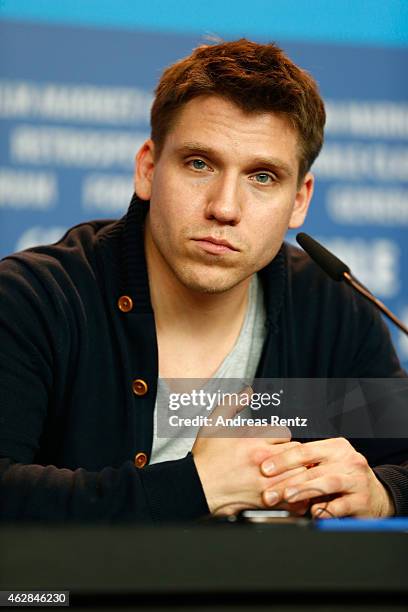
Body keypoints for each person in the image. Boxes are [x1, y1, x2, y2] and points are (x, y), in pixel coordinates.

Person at [0, 39, 407, 522]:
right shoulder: (35, 300)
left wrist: (382, 493)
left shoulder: (332, 311)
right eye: (199, 164)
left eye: (262, 177)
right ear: (148, 169)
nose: (225, 208)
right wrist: (196, 487)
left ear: (300, 199)